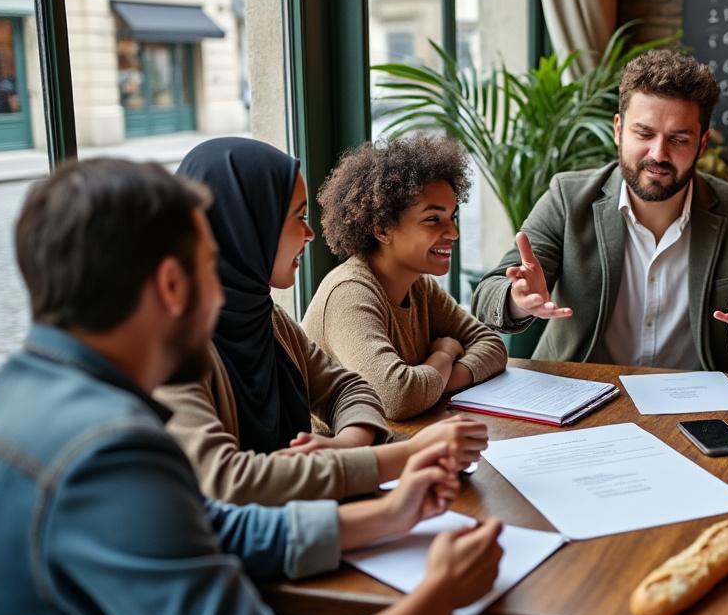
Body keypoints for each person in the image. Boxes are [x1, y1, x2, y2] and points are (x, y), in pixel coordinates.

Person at [0, 157, 504, 615]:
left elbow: (203, 526)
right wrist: (438, 596)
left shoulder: (32, 384)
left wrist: (385, 517)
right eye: (212, 264)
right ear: (170, 284)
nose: (229, 288)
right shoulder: (109, 446)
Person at [157, 137, 488, 505]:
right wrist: (406, 456)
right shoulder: (166, 349)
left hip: (303, 523)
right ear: (247, 225)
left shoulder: (265, 317)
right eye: (298, 217)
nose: (310, 234)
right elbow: (227, 482)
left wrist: (344, 446)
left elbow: (349, 389)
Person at [472, 48, 728, 374]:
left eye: (679, 139)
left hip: (698, 400)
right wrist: (517, 298)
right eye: (644, 133)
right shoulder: (568, 198)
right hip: (583, 391)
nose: (658, 153)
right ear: (617, 130)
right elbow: (487, 296)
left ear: (703, 143)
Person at [303, 135, 507, 421]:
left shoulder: (418, 286)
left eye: (453, 217)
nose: (454, 233)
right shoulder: (349, 294)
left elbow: (492, 346)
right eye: (433, 219)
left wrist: (434, 381)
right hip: (341, 459)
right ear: (383, 229)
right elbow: (398, 397)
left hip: (399, 444)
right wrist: (444, 355)